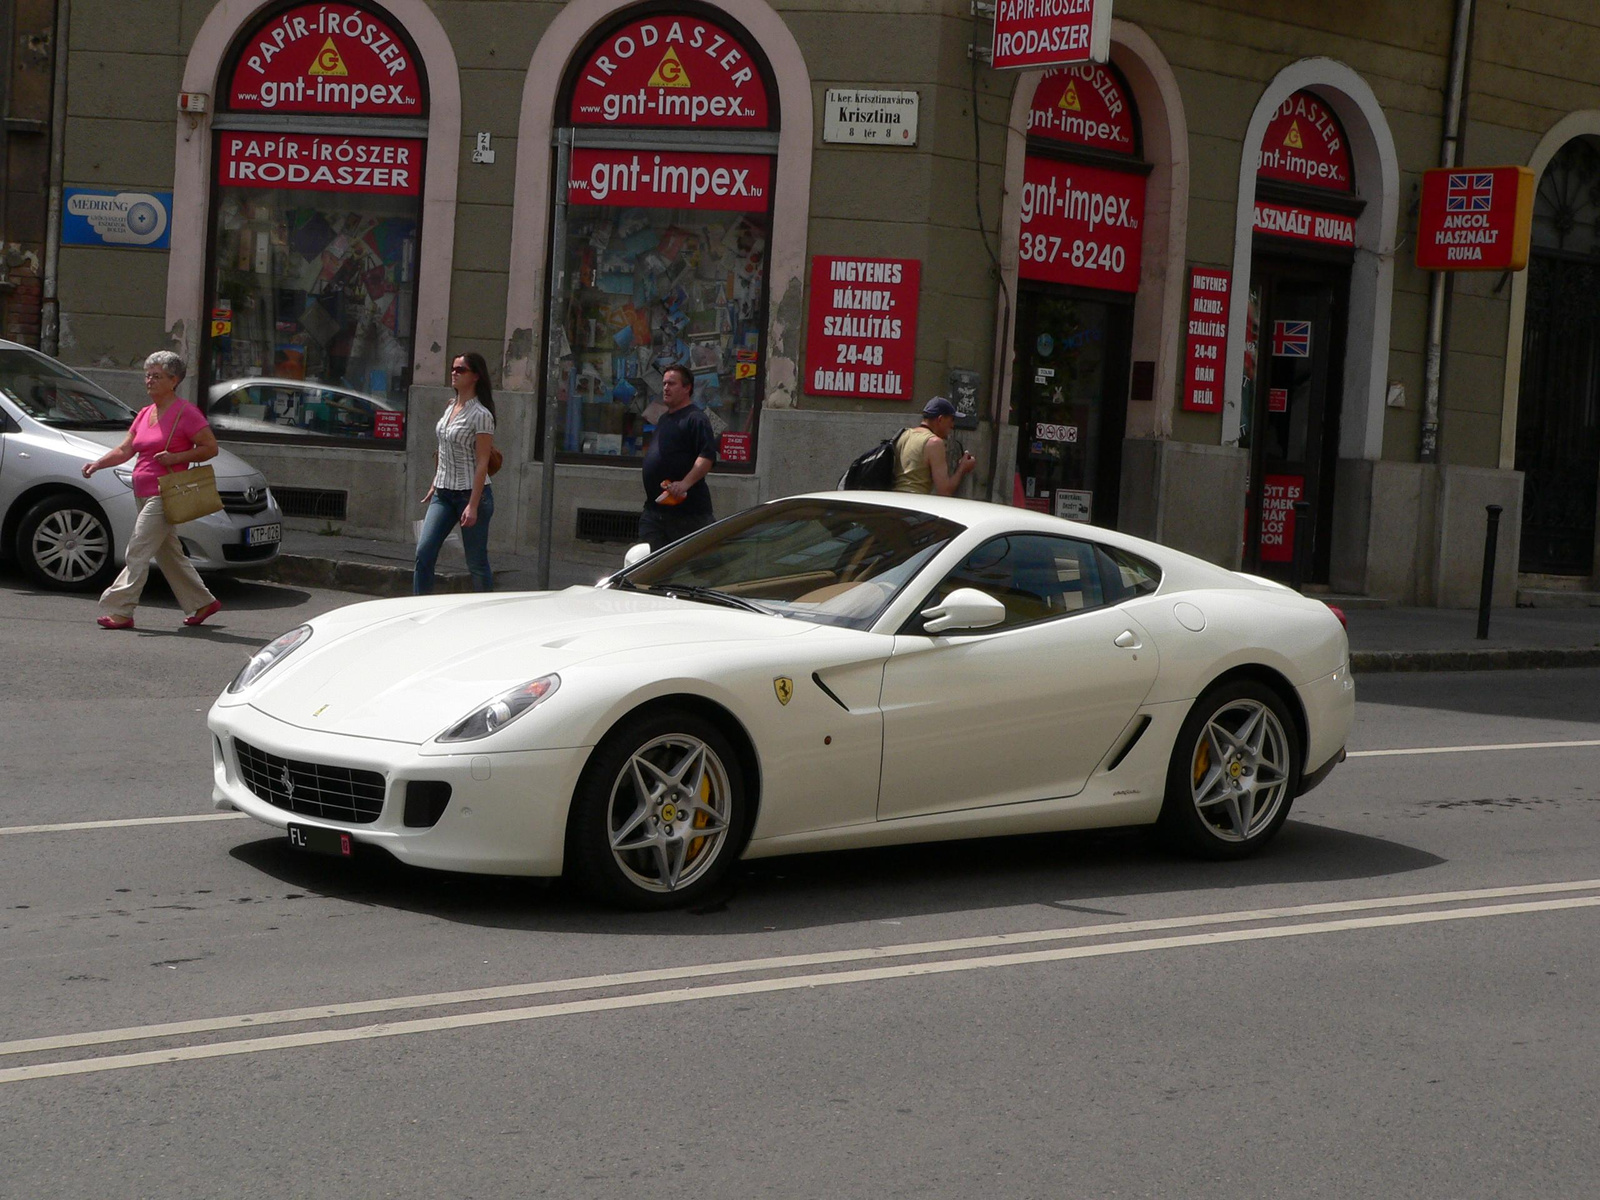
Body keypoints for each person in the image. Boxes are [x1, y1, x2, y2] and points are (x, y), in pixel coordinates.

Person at [81, 351, 223, 629]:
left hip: (165, 493)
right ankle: (203, 602)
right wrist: (98, 464)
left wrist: (176, 458)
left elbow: (211, 448)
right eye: (147, 375)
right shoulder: (146, 413)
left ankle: (121, 610)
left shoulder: (186, 413)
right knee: (168, 554)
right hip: (142, 492)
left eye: (157, 376)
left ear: (174, 380)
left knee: (138, 548)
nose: (149, 380)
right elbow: (126, 449)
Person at [416, 352, 497, 594]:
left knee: (476, 562)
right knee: (424, 552)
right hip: (443, 492)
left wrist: (472, 505)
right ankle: (419, 607)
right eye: (453, 368)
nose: (454, 373)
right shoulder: (450, 407)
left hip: (471, 495)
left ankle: (485, 613)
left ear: (475, 376)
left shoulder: (481, 415)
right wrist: (435, 481)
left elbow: (482, 462)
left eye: (461, 370)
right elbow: (444, 447)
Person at [639, 365, 718, 551]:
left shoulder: (695, 419)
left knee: (703, 565)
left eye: (672, 384)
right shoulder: (664, 419)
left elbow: (706, 457)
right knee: (648, 564)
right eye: (664, 383)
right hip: (655, 510)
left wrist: (684, 484)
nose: (666, 388)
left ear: (687, 388)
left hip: (688, 514)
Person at [894, 395, 977, 495]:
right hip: (915, 503)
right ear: (940, 419)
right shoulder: (934, 443)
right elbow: (944, 491)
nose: (952, 425)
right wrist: (963, 468)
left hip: (895, 501)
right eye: (951, 420)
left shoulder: (904, 435)